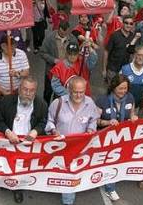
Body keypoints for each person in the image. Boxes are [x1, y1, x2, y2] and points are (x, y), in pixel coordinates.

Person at [46, 77, 100, 205]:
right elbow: (49, 121)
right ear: (69, 90)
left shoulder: (90, 103)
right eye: (75, 92)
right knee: (60, 172)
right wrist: (53, 131)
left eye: (81, 92)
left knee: (71, 173)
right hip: (60, 147)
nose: (78, 95)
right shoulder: (57, 103)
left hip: (79, 148)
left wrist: (91, 129)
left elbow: (93, 119)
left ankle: (67, 201)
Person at [0, 77, 47, 204]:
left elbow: (43, 121)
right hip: (9, 140)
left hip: (28, 143)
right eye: (25, 90)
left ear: (35, 91)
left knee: (22, 168)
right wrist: (7, 132)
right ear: (19, 89)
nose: (28, 94)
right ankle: (5, 182)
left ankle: (18, 188)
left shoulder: (41, 104)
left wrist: (36, 131)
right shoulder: (6, 101)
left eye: (31, 91)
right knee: (7, 164)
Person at [96, 74, 137, 202]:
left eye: (125, 88)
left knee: (114, 161)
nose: (123, 91)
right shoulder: (102, 100)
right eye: (120, 88)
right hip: (104, 137)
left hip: (122, 137)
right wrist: (108, 123)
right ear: (113, 87)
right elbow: (95, 121)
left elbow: (132, 113)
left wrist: (134, 118)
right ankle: (108, 186)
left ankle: (110, 186)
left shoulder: (130, 98)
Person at [39, 22, 78, 102]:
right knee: (48, 92)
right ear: (58, 29)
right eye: (61, 33)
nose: (64, 34)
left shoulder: (72, 39)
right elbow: (42, 53)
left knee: (60, 94)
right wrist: (54, 60)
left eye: (66, 32)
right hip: (51, 71)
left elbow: (76, 52)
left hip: (66, 72)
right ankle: (46, 109)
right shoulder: (50, 38)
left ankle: (56, 108)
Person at [0, 34, 30, 99]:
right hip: (1, 92)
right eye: (11, 45)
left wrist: (17, 73)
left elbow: (26, 72)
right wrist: (3, 91)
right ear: (3, 46)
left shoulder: (21, 54)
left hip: (18, 91)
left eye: (15, 44)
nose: (14, 47)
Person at [120, 46, 143, 112]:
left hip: (137, 106)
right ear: (135, 55)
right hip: (122, 104)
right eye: (139, 55)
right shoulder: (125, 69)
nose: (141, 58)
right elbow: (117, 86)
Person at [103, 16, 136, 83]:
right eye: (126, 23)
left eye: (131, 23)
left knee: (121, 90)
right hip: (112, 69)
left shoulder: (133, 37)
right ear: (122, 23)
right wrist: (104, 69)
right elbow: (106, 52)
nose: (128, 25)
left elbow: (133, 53)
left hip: (125, 70)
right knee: (112, 90)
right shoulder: (114, 35)